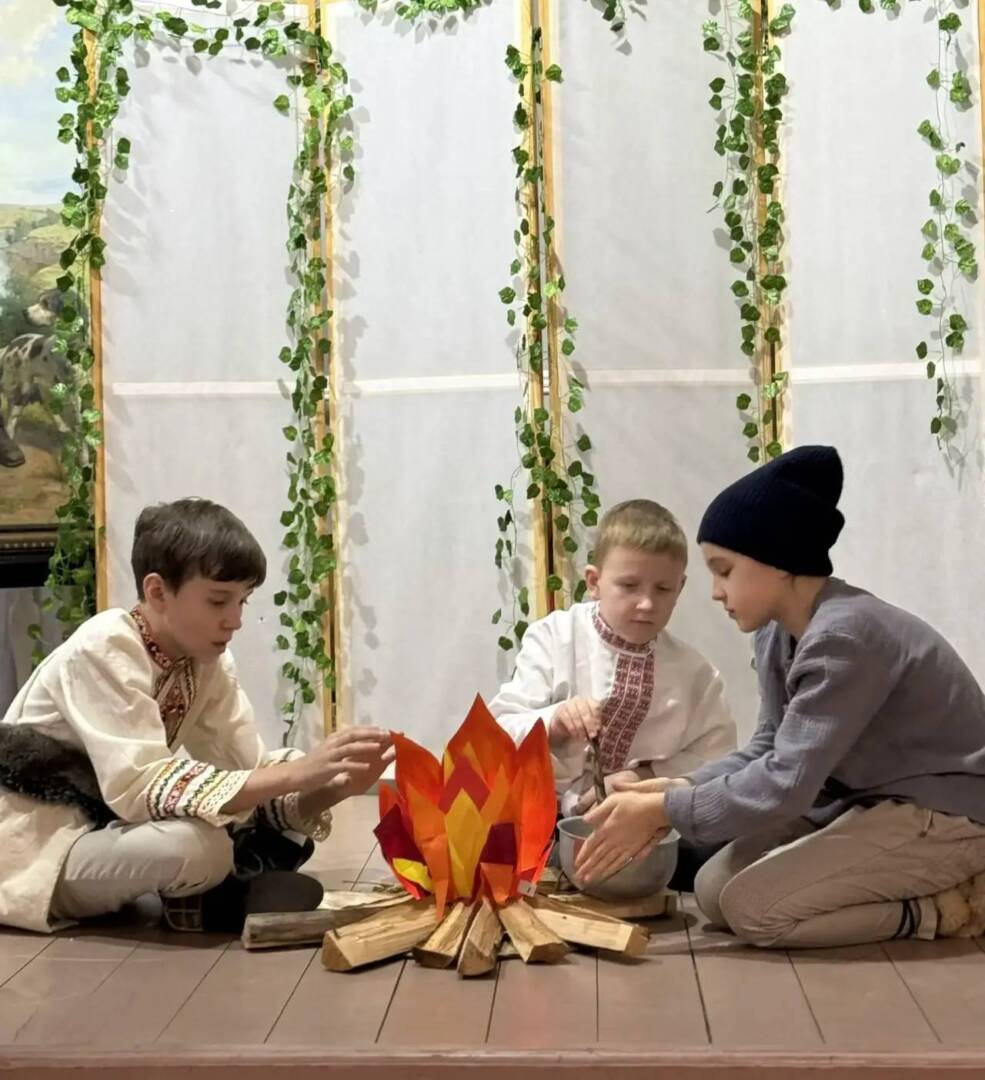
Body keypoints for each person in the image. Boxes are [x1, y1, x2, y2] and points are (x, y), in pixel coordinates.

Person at [576, 446, 985, 947]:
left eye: (724, 570)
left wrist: (667, 810)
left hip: (945, 814)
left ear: (779, 562)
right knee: (713, 891)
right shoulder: (777, 631)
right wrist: (673, 787)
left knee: (753, 911)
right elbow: (769, 746)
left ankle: (939, 910)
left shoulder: (845, 636)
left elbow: (786, 784)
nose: (715, 591)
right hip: (867, 803)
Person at [0, 498, 392, 933]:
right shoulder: (104, 646)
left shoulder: (204, 662)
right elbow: (138, 787)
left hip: (109, 833)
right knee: (195, 845)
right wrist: (296, 774)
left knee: (276, 809)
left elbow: (247, 771)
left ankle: (210, 897)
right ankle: (217, 891)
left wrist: (329, 788)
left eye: (243, 601)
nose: (235, 620)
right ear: (156, 592)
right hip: (41, 850)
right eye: (218, 601)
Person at [489, 498, 735, 886]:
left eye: (663, 588)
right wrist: (555, 719)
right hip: (545, 819)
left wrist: (644, 776)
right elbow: (497, 733)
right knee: (488, 832)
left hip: (642, 826)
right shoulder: (554, 638)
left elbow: (718, 759)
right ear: (594, 582)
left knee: (722, 847)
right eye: (629, 586)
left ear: (680, 588)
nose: (646, 603)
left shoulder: (696, 674)